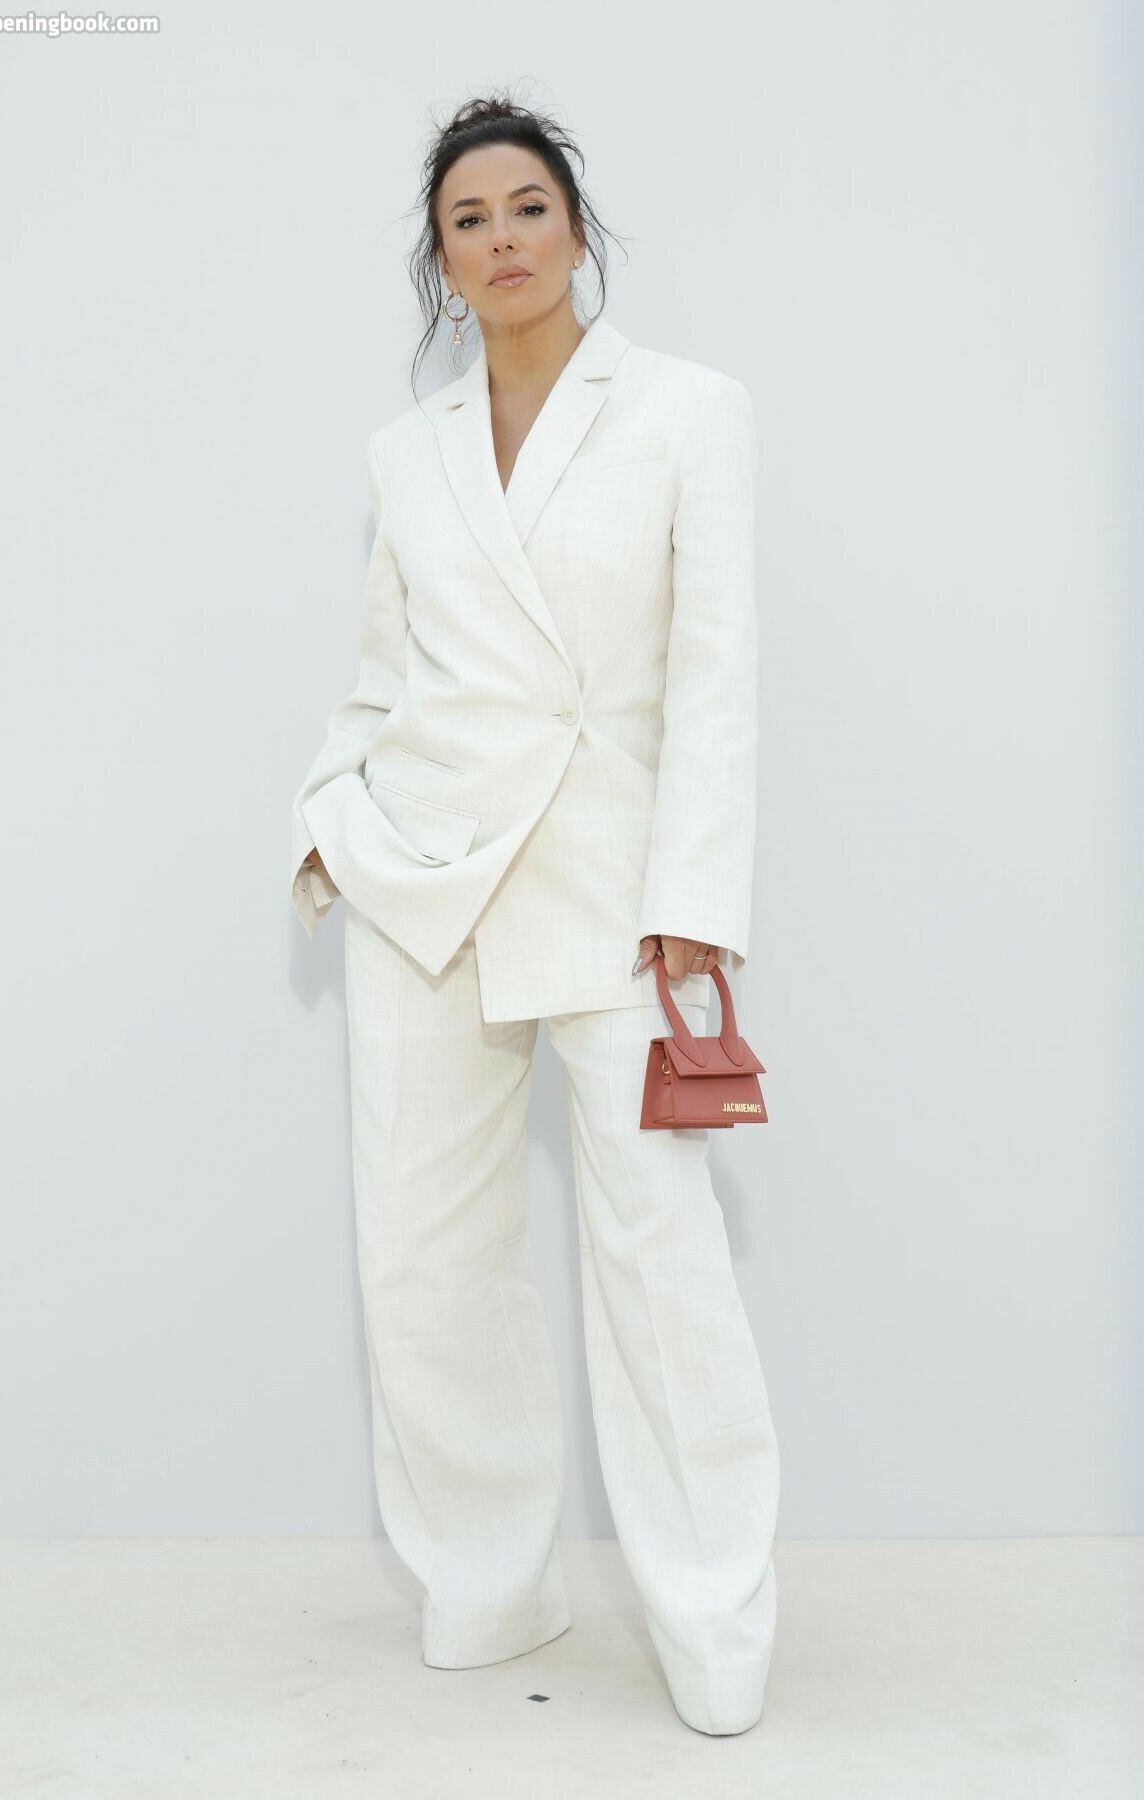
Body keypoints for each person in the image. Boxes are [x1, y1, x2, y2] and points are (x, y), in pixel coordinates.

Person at [288, 92, 778, 1737]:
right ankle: (488, 1586)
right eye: (467, 220)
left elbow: (716, 672)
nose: (500, 239)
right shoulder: (406, 452)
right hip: (420, 885)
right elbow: (385, 679)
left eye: (526, 207)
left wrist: (694, 895)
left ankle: (715, 1626)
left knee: (661, 1269)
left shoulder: (689, 412)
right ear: (440, 261)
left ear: (577, 225)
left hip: (615, 891)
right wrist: (327, 820)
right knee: (425, 1260)